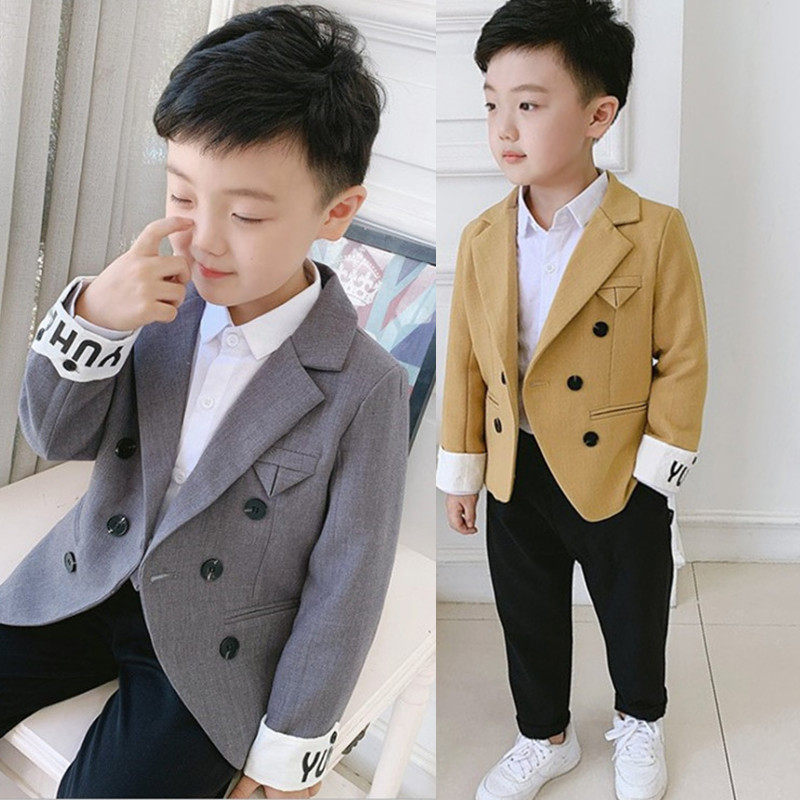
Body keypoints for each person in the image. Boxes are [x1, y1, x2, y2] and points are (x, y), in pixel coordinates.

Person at [0, 5, 409, 798]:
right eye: (183, 197)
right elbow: (52, 435)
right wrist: (93, 318)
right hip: (87, 578)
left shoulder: (367, 386)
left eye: (246, 214)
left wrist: (289, 751)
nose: (205, 238)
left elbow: (348, 582)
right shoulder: (148, 303)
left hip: (215, 640)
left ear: (336, 213)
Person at [436, 2, 708, 799]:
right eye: (492, 103)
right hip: (516, 465)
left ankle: (640, 719)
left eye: (528, 103)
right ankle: (544, 734)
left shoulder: (653, 231)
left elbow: (683, 357)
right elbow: (467, 361)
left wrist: (656, 472)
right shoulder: (483, 236)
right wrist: (463, 469)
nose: (504, 127)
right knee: (527, 611)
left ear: (598, 115)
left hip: (617, 468)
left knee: (633, 608)